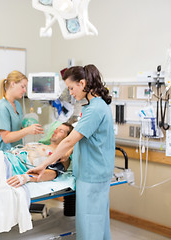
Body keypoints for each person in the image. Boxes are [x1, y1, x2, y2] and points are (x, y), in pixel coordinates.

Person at [28, 65, 115, 240]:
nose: (71, 93)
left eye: (71, 88)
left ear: (82, 83)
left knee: (90, 226)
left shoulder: (94, 110)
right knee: (99, 223)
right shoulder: (98, 105)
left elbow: (68, 140)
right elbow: (86, 139)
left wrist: (44, 164)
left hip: (92, 176)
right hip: (97, 173)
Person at [0, 70, 44, 152]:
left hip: (14, 151)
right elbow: (6, 138)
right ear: (13, 84)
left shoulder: (17, 105)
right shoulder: (1, 107)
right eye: (22, 87)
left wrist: (29, 125)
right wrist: (27, 130)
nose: (24, 91)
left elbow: (17, 127)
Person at [6, 122, 74, 188]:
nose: (55, 131)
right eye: (56, 129)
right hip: (5, 156)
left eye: (61, 131)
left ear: (67, 138)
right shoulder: (40, 144)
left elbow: (53, 173)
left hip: (11, 165)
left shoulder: (62, 156)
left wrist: (27, 177)